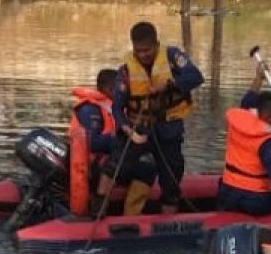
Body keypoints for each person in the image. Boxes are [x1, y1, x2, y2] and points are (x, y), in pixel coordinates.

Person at [111, 22, 205, 214]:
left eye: (146, 50)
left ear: (156, 44)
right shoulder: (126, 70)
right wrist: (126, 129)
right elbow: (117, 107)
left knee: (171, 178)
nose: (142, 55)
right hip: (139, 130)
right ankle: (99, 209)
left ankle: (167, 223)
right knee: (116, 165)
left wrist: (170, 85)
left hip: (169, 129)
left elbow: (196, 76)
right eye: (138, 51)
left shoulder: (172, 56)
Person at [72, 69, 157, 217]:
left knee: (146, 161)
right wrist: (122, 140)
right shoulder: (90, 109)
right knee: (145, 167)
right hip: (94, 167)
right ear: (110, 89)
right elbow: (93, 143)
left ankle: (129, 211)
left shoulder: (115, 107)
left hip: (112, 159)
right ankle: (116, 211)